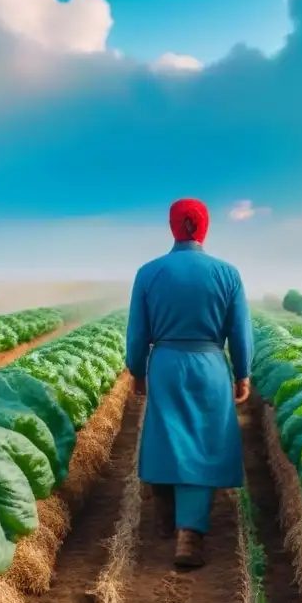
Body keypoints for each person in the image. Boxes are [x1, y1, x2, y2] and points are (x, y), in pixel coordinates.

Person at [125, 197, 253, 569]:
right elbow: (240, 333)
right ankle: (189, 535)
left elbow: (137, 334)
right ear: (205, 227)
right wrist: (242, 372)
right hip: (210, 365)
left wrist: (137, 371)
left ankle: (165, 510)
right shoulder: (227, 274)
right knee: (203, 443)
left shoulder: (149, 273)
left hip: (165, 364)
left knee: (167, 435)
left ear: (172, 226)